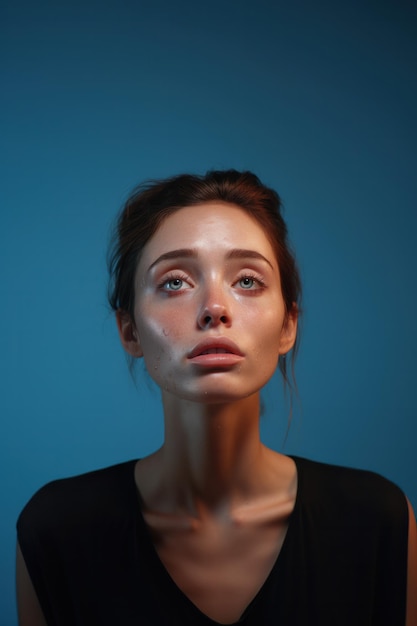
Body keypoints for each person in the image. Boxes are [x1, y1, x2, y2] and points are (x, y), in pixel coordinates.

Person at [16, 170, 417, 625]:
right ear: (129, 330)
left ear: (288, 325)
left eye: (247, 280)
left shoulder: (377, 521)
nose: (214, 308)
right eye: (175, 282)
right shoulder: (57, 532)